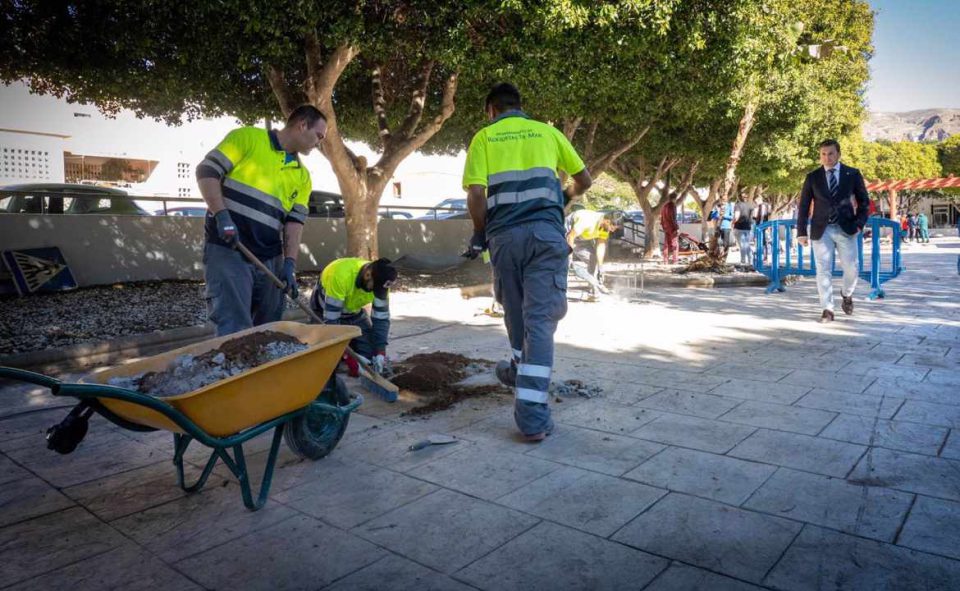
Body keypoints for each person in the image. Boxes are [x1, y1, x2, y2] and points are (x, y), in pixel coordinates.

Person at [462, 82, 592, 442]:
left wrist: (479, 232)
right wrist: (559, 199)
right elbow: (585, 179)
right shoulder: (547, 133)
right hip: (546, 236)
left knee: (516, 313)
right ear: (520, 106)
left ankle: (527, 397)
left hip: (504, 238)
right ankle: (528, 398)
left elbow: (476, 194)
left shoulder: (484, 138)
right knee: (539, 322)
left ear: (491, 110)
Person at [196, 105, 326, 336]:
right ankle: (235, 369)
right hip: (229, 250)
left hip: (270, 257)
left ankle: (265, 370)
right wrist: (222, 215)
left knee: (269, 328)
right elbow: (207, 171)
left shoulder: (302, 176)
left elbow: (294, 223)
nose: (319, 143)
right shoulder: (248, 138)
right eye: (319, 136)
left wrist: (289, 264)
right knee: (234, 328)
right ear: (302, 124)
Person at [797, 139, 869, 323]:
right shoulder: (812, 177)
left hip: (847, 229)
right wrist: (801, 231)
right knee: (823, 270)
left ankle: (846, 293)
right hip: (821, 230)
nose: (826, 157)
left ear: (838, 154)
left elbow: (864, 201)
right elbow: (804, 205)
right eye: (823, 154)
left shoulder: (852, 174)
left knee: (852, 268)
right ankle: (827, 309)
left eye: (830, 153)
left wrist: (859, 224)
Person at [310, 257, 397, 376]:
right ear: (367, 275)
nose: (375, 292)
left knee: (369, 360)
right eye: (374, 288)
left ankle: (351, 348)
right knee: (328, 362)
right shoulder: (340, 276)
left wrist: (380, 352)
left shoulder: (380, 281)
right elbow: (331, 326)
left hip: (354, 314)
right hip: (325, 314)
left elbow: (381, 319)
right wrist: (347, 356)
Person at [565, 209, 620, 298]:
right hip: (568, 231)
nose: (612, 231)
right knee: (564, 263)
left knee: (593, 259)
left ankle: (593, 291)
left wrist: (600, 267)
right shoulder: (587, 220)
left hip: (583, 237)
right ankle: (559, 291)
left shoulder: (605, 228)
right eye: (612, 227)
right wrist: (569, 257)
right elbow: (570, 236)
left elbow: (600, 246)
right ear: (607, 221)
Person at [732, 194, 755, 266]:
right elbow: (754, 216)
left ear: (739, 198)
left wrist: (733, 223)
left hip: (739, 227)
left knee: (742, 244)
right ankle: (750, 259)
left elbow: (736, 216)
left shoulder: (738, 205)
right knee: (746, 244)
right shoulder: (751, 206)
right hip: (748, 227)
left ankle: (743, 260)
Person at [660, 193, 681, 264]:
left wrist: (663, 227)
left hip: (666, 228)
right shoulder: (672, 206)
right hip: (672, 228)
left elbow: (662, 219)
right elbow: (673, 218)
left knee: (666, 244)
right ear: (674, 198)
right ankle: (675, 261)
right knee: (675, 244)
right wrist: (677, 228)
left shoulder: (664, 206)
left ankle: (665, 261)